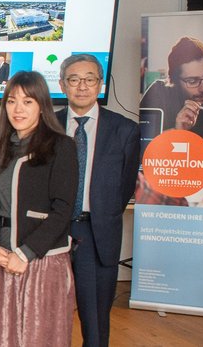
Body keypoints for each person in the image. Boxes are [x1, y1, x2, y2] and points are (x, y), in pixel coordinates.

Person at [0, 71, 78, 347]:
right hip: (1, 260)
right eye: (11, 101)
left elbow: (63, 210)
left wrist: (25, 254)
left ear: (42, 105)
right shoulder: (1, 147)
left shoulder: (61, 146)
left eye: (28, 101)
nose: (18, 109)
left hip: (40, 264)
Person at [56, 54, 141, 347]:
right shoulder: (48, 126)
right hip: (51, 231)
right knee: (48, 312)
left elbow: (125, 185)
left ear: (100, 84)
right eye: (74, 79)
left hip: (96, 233)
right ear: (62, 84)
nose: (82, 87)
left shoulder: (124, 130)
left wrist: (100, 214)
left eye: (89, 79)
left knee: (94, 320)